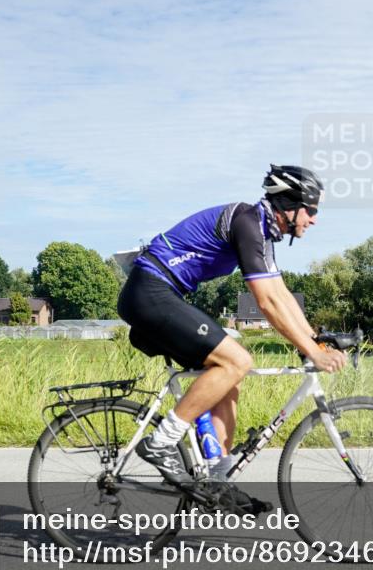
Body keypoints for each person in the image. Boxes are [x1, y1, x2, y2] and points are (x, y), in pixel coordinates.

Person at [117, 164, 347, 488]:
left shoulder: (262, 232)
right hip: (149, 292)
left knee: (228, 377)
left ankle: (218, 482)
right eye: (311, 209)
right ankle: (161, 442)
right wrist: (311, 351)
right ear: (289, 205)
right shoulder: (247, 223)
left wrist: (315, 339)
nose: (314, 218)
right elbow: (266, 303)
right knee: (237, 361)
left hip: (162, 295)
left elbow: (280, 294)